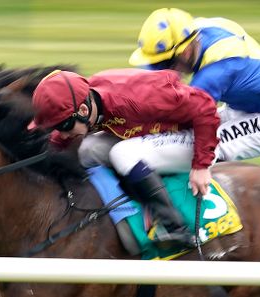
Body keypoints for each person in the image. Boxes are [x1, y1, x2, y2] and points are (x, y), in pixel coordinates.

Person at [28, 68, 220, 249]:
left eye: (63, 126)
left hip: (195, 136)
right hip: (151, 136)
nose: (60, 134)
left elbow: (205, 106)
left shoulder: (135, 99)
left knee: (122, 153)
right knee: (87, 149)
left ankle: (176, 227)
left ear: (84, 111)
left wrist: (201, 164)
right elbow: (57, 143)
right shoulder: (91, 102)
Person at [129, 8, 260, 163]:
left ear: (186, 52)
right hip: (241, 108)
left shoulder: (216, 70)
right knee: (179, 136)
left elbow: (182, 114)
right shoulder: (193, 32)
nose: (163, 70)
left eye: (166, 63)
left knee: (203, 149)